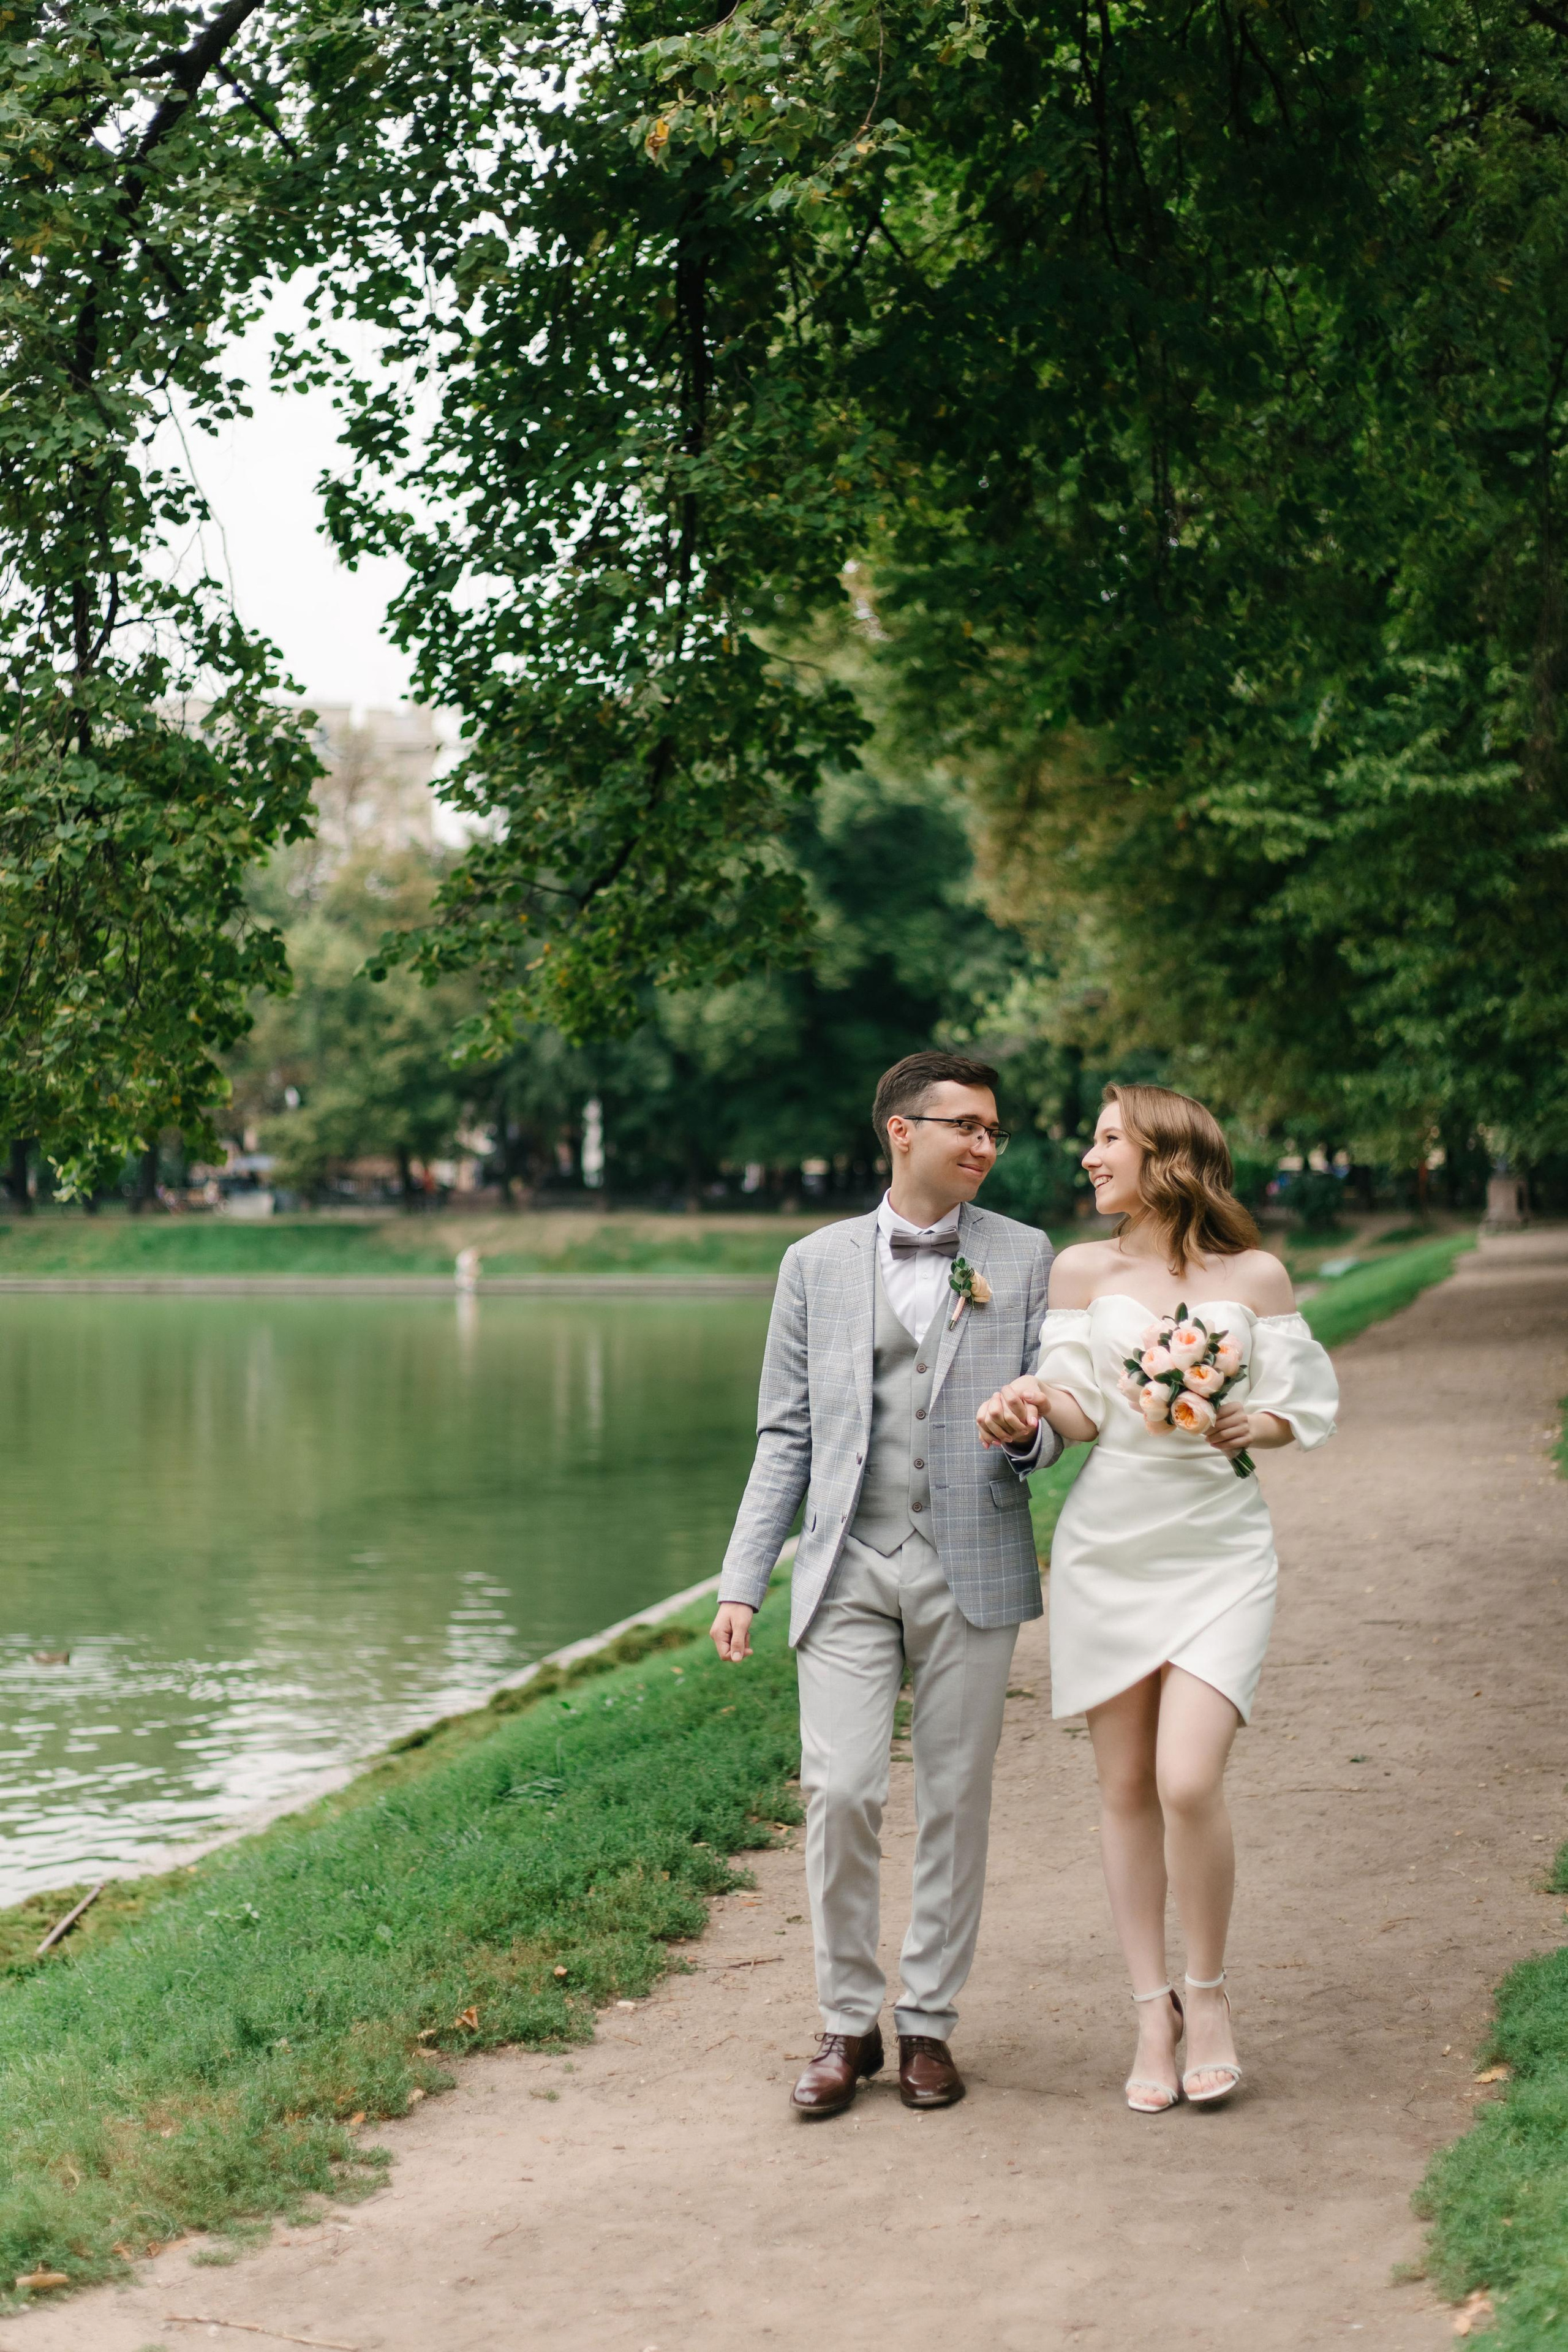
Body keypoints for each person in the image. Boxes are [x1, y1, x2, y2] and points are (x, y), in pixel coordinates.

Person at [711, 1050, 1059, 2118]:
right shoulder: (812, 1263)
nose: (986, 1145)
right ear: (902, 1130)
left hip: (972, 1559)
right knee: (841, 1792)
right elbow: (785, 1433)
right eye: (966, 1126)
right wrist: (742, 1580)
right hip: (845, 1564)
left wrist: (1028, 1435)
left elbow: (1058, 1412)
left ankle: (929, 2025)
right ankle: (846, 2023)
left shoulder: (1027, 1254)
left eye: (994, 1130)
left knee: (955, 1797)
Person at [977, 1084, 1337, 2113]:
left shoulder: (1255, 1275)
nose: (1090, 1158)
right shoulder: (1081, 1269)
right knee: (1126, 1786)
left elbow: (1304, 1401)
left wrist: (1257, 1424)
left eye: (1108, 1140)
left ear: (1166, 1154)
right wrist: (1027, 1403)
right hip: (1109, 1552)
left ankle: (1208, 1994)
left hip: (1223, 1551)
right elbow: (1081, 1411)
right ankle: (1151, 2009)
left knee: (1186, 1779)